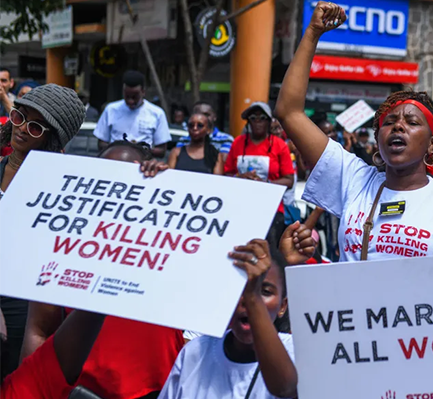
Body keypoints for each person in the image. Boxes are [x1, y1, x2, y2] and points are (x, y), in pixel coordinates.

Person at [273, 1, 433, 262]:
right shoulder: (354, 181)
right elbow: (289, 112)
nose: (398, 126)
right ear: (378, 138)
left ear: (432, 144)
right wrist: (312, 34)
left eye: (412, 122)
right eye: (389, 121)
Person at [22, 142, 183, 399]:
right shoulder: (63, 246)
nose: (116, 189)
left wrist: (175, 190)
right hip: (82, 392)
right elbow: (39, 330)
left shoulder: (174, 241)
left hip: (159, 390)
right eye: (106, 177)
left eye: (129, 178)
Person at [158, 230, 314, 399]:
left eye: (265, 291)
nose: (246, 300)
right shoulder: (195, 353)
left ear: (283, 306)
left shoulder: (302, 354)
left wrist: (253, 296)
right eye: (240, 289)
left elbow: (286, 389)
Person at [0, 84, 85, 378]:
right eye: (19, 117)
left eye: (36, 127)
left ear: (51, 139)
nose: (22, 129)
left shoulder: (59, 191)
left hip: (21, 301)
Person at [225, 102, 295, 243]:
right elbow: (226, 175)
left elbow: (289, 180)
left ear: (269, 122)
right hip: (240, 208)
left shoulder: (279, 145)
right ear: (248, 122)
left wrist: (266, 184)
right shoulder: (238, 143)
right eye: (253, 118)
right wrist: (240, 177)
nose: (258, 122)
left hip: (272, 210)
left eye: (262, 118)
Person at [93, 70, 171, 157]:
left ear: (143, 92)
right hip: (113, 162)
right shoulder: (111, 110)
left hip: (142, 166)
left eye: (135, 97)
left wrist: (139, 150)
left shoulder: (157, 113)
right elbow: (101, 143)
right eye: (127, 96)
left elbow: (161, 151)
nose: (130, 101)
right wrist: (119, 148)